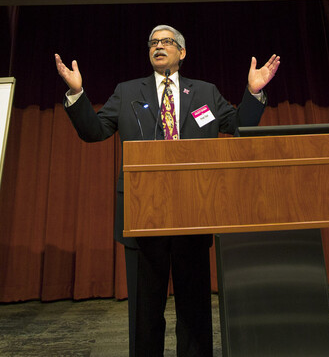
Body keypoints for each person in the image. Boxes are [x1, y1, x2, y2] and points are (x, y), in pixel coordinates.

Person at [54, 25, 280, 357]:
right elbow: (95, 131)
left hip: (194, 210)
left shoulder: (204, 92)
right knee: (145, 313)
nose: (159, 47)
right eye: (153, 43)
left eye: (167, 42)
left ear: (182, 52)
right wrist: (77, 94)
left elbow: (238, 128)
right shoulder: (128, 92)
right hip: (143, 214)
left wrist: (253, 91)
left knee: (194, 309)